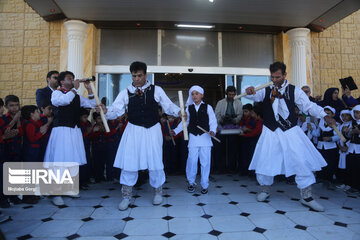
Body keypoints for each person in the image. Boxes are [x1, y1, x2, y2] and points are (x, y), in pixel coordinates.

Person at [245, 62, 336, 212]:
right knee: (266, 159)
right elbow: (253, 94)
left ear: (285, 75)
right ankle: (265, 190)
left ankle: (307, 196)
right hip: (270, 131)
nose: (274, 80)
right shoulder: (265, 89)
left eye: (278, 77)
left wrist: (324, 115)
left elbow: (309, 106)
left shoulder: (295, 91)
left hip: (290, 131)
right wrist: (249, 91)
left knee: (301, 160)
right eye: (272, 77)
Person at [97, 61, 181, 211]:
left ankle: (157, 192)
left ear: (145, 75)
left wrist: (179, 112)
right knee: (130, 160)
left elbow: (168, 105)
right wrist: (105, 111)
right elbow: (116, 110)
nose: (136, 79)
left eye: (139, 75)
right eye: (134, 76)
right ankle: (126, 196)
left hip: (153, 129)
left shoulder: (157, 90)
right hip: (133, 130)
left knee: (155, 160)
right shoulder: (126, 92)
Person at [44, 71, 96, 206]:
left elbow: (92, 104)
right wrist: (74, 89)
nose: (72, 80)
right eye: (69, 79)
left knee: (72, 161)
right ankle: (55, 193)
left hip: (74, 132)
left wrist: (89, 89)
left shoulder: (76, 96)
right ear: (62, 82)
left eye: (73, 78)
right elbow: (64, 101)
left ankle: (67, 189)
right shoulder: (57, 93)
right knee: (60, 162)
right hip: (61, 131)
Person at [173, 86, 217, 194]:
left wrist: (212, 131)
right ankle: (191, 183)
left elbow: (213, 121)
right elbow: (185, 122)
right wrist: (176, 130)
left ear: (202, 95)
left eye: (197, 93)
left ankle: (205, 185)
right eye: (192, 94)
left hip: (205, 138)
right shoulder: (189, 108)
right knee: (192, 161)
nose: (194, 96)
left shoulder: (208, 107)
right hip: (193, 138)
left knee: (205, 162)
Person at [214, 86, 243, 173]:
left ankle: (231, 168)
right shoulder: (220, 102)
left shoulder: (238, 103)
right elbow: (216, 114)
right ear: (226, 94)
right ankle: (220, 168)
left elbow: (240, 114)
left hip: (233, 127)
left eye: (233, 95)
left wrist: (234, 120)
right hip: (222, 127)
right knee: (221, 149)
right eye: (230, 94)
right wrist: (221, 120)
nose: (231, 96)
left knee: (232, 149)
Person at [311, 106, 340, 189]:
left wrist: (330, 138)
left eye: (328, 114)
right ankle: (321, 178)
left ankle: (329, 180)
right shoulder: (320, 123)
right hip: (321, 146)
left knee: (330, 164)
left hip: (330, 147)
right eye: (325, 114)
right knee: (321, 162)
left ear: (332, 115)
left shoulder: (335, 124)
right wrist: (312, 130)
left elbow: (339, 136)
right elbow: (317, 134)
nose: (326, 116)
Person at [238, 104, 263, 176]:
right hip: (247, 140)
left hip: (254, 140)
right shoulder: (244, 119)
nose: (252, 115)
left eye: (253, 113)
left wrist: (246, 133)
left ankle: (252, 172)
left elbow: (255, 132)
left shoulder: (259, 122)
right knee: (245, 155)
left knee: (252, 156)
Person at [344, 105, 360, 193]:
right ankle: (352, 185)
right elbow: (350, 136)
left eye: (358, 113)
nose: (356, 114)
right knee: (352, 168)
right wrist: (348, 132)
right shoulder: (353, 123)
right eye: (355, 113)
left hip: (359, 149)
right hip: (352, 148)